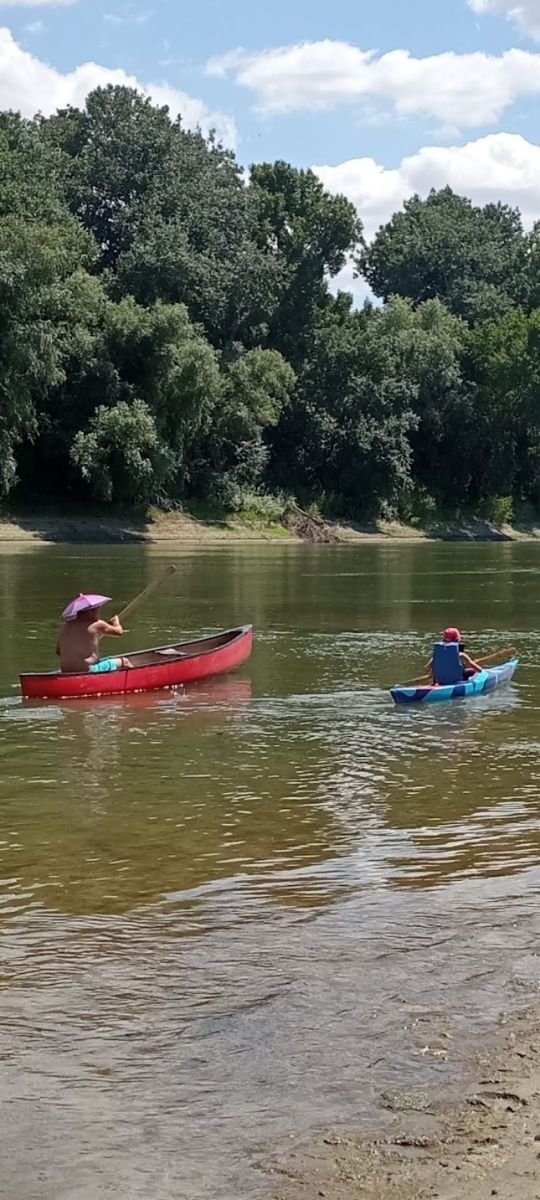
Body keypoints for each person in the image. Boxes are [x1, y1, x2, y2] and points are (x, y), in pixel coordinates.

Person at [57, 594, 133, 674]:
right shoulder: (96, 624)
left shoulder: (65, 627)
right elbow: (119, 632)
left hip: (65, 671)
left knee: (106, 660)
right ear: (90, 611)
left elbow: (58, 651)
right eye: (97, 609)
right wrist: (116, 622)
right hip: (88, 670)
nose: (98, 611)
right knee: (124, 661)